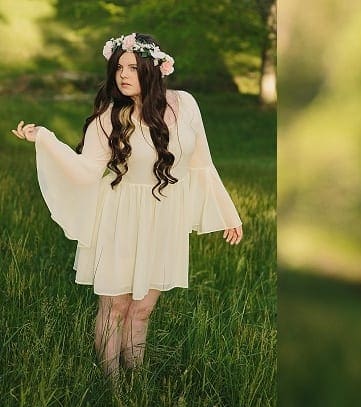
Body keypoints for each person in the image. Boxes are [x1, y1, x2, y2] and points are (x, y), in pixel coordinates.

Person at [10, 33, 244, 378]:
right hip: (121, 216)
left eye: (132, 67)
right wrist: (45, 139)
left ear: (152, 69)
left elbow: (202, 163)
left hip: (165, 216)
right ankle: (111, 383)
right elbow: (85, 170)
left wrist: (227, 212)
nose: (123, 74)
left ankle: (135, 379)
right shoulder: (110, 116)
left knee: (143, 308)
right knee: (117, 305)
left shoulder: (185, 103)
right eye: (119, 67)